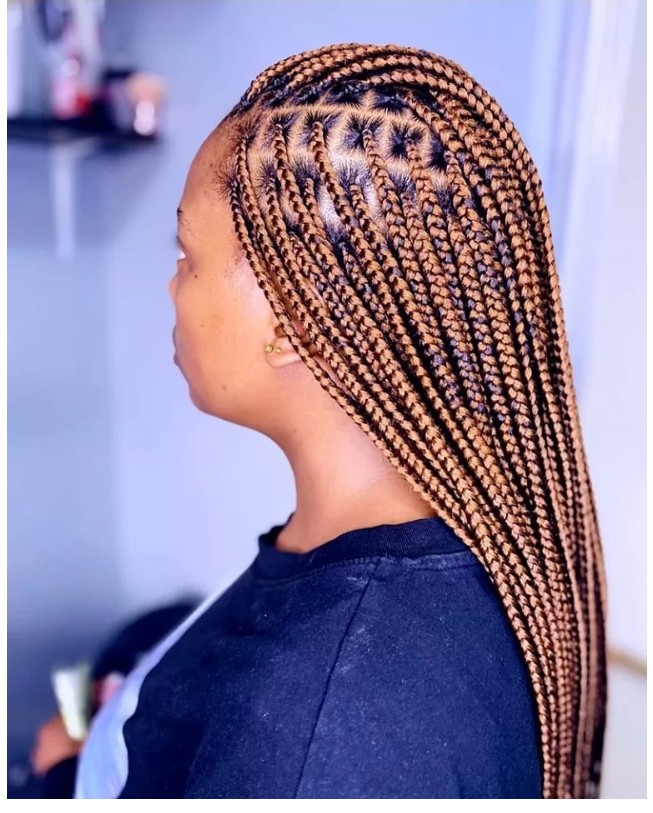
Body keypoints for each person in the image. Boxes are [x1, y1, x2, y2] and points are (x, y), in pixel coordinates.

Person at [81, 43, 607, 799]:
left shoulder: (315, 737)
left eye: (186, 255)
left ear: (294, 320)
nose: (172, 287)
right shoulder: (441, 544)